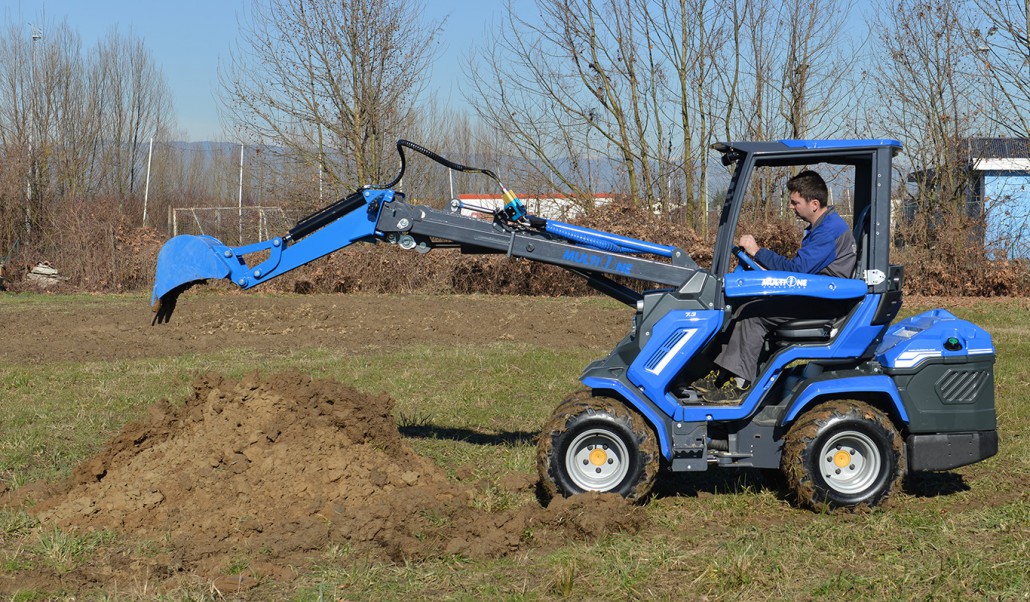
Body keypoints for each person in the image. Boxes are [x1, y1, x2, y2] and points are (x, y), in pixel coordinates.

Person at [694, 170, 856, 404]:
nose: (791, 207)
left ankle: (740, 384)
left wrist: (757, 251)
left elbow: (797, 270)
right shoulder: (824, 226)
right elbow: (802, 268)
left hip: (823, 302)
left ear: (814, 204)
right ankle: (723, 374)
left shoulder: (828, 231)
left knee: (754, 315)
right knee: (743, 306)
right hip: (815, 294)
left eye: (795, 202)